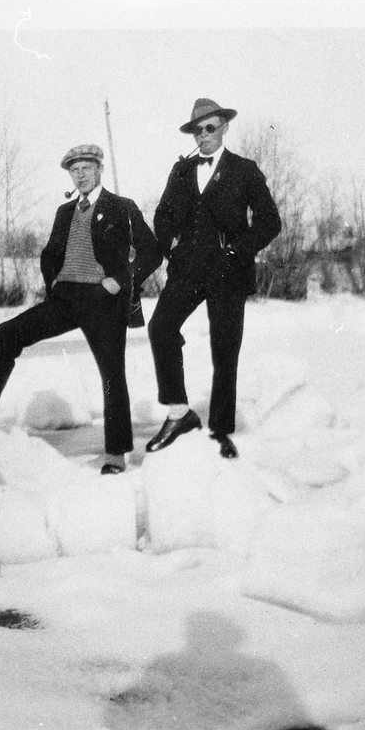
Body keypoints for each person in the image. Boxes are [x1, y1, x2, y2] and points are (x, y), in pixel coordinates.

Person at [0, 144, 161, 475]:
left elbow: (151, 252)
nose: (80, 176)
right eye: (74, 171)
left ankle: (116, 453)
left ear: (99, 170)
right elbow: (50, 253)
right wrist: (54, 285)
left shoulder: (121, 207)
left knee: (111, 374)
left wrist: (119, 280)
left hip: (103, 301)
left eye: (86, 169)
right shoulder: (65, 212)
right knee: (9, 332)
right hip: (65, 299)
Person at [144, 98, 282, 459]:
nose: (203, 134)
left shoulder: (245, 170)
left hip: (227, 271)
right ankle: (178, 414)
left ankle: (221, 430)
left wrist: (238, 251)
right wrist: (170, 247)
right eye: (197, 129)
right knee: (161, 327)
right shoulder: (181, 171)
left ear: (224, 128)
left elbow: (270, 222)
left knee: (224, 349)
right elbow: (162, 215)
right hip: (187, 267)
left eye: (211, 127)